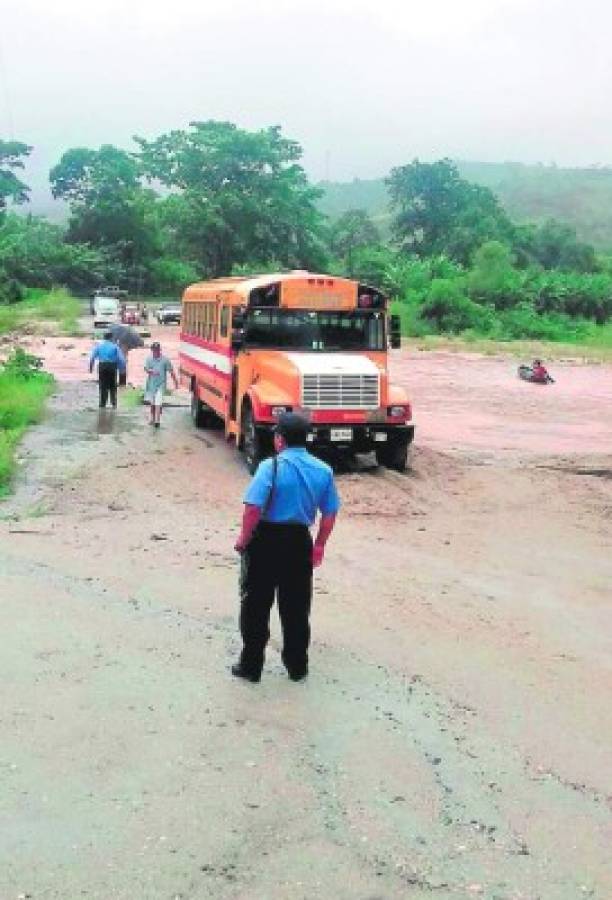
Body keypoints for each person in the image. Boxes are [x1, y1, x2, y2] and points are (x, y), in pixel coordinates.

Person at [232, 412, 340, 683]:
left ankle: (251, 666)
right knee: (296, 607)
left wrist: (243, 539)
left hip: (266, 541)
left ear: (280, 439)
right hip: (299, 541)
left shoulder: (271, 467)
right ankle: (297, 666)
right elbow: (329, 515)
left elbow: (252, 509)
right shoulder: (323, 470)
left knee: (256, 604)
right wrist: (319, 546)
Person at [144, 341, 178, 427]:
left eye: (157, 350)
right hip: (151, 384)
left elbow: (171, 371)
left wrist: (175, 382)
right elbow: (146, 369)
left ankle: (157, 421)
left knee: (158, 402)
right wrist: (150, 371)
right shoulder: (149, 359)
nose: (156, 352)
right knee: (152, 403)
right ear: (152, 351)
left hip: (161, 384)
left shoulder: (165, 360)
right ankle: (152, 418)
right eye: (154, 350)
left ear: (160, 350)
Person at [89, 331, 126, 409]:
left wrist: (91, 368)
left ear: (104, 337)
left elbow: (92, 357)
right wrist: (122, 369)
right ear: (111, 338)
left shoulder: (99, 346)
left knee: (103, 385)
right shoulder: (115, 347)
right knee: (113, 385)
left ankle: (102, 404)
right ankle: (114, 403)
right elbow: (121, 359)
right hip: (112, 366)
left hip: (102, 366)